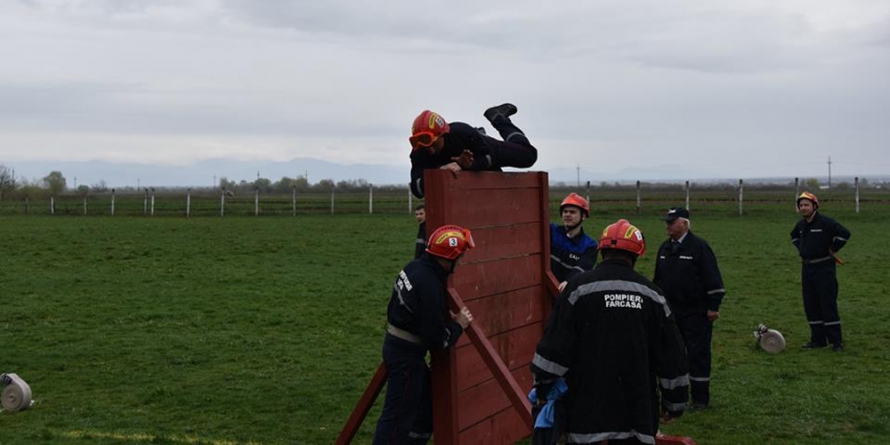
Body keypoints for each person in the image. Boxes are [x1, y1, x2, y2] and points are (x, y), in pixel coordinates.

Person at [531, 219, 688, 445]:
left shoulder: (577, 289)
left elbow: (554, 345)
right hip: (637, 415)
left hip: (585, 414)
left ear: (602, 252)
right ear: (636, 256)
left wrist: (543, 388)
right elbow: (672, 356)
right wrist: (674, 404)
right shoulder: (653, 295)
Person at [373, 225, 476, 445]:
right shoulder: (429, 285)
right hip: (406, 356)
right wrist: (459, 325)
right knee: (396, 420)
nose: (461, 261)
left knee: (424, 410)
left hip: (399, 348)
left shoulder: (415, 267)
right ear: (449, 258)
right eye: (460, 256)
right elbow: (439, 340)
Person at [653, 207, 725, 410]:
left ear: (684, 224)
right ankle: (674, 396)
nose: (667, 226)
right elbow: (658, 280)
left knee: (697, 354)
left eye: (672, 222)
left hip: (696, 312)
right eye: (667, 222)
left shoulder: (699, 247)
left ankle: (700, 399)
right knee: (672, 354)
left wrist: (713, 306)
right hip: (670, 312)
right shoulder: (664, 249)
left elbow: (713, 278)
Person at [409, 104, 538, 198]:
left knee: (529, 155)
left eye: (434, 144)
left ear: (443, 134)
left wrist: (469, 165)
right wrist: (438, 174)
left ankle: (499, 117)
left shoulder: (462, 132)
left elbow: (490, 157)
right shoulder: (418, 152)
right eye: (425, 147)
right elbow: (417, 189)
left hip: (485, 148)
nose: (430, 150)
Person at [790, 192, 851, 351]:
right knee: (810, 304)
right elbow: (794, 236)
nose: (803, 208)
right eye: (801, 205)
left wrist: (833, 249)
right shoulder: (801, 225)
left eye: (806, 205)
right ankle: (818, 339)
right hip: (807, 268)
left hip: (824, 268)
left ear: (814, 206)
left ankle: (836, 342)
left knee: (827, 303)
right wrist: (802, 248)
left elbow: (844, 234)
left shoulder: (826, 222)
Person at [550, 193, 598, 291]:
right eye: (565, 211)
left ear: (583, 216)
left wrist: (569, 281)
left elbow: (582, 268)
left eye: (572, 212)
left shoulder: (590, 245)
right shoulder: (551, 231)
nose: (567, 214)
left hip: (569, 291)